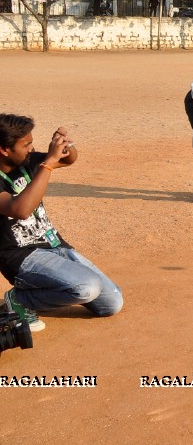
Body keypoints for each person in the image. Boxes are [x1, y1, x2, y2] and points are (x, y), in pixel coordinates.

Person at [0, 115, 123, 331]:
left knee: (111, 304)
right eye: (26, 144)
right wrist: (48, 163)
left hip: (55, 245)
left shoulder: (25, 161)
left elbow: (68, 159)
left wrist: (65, 144)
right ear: (4, 149)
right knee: (86, 288)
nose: (32, 148)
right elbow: (20, 209)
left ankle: (45, 291)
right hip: (21, 257)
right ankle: (19, 299)